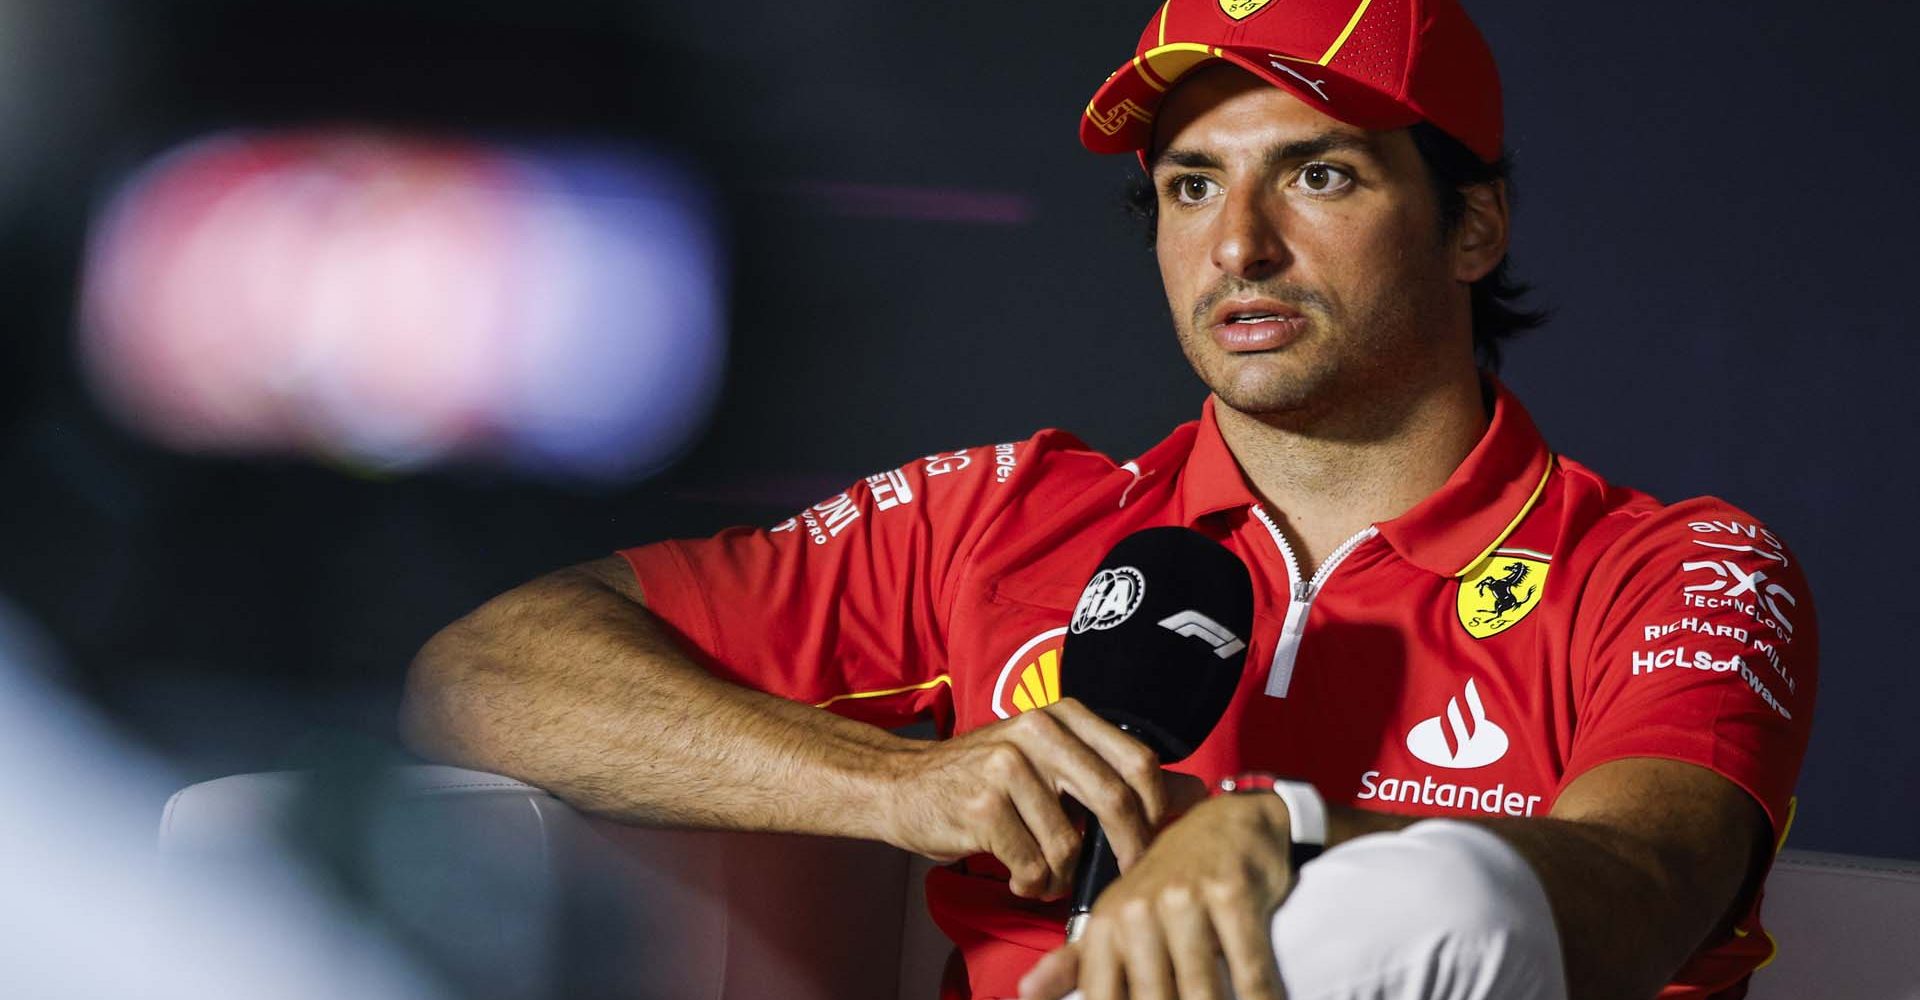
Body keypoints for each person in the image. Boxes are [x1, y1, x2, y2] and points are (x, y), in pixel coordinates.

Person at [401, 1, 1817, 998]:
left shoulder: (1671, 565)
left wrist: (1290, 840)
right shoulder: (1011, 517)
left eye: (1317, 175)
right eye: (1191, 187)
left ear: (1475, 224)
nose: (1240, 247)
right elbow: (480, 670)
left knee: (1433, 907)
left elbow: (1641, 886)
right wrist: (899, 782)